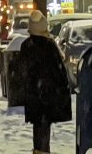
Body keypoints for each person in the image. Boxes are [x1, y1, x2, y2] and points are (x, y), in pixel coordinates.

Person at [18, 10, 71, 154]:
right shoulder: (49, 46)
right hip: (48, 95)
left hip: (33, 96)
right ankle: (42, 150)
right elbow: (59, 71)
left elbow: (21, 71)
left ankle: (39, 150)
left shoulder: (26, 46)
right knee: (44, 126)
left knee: (39, 126)